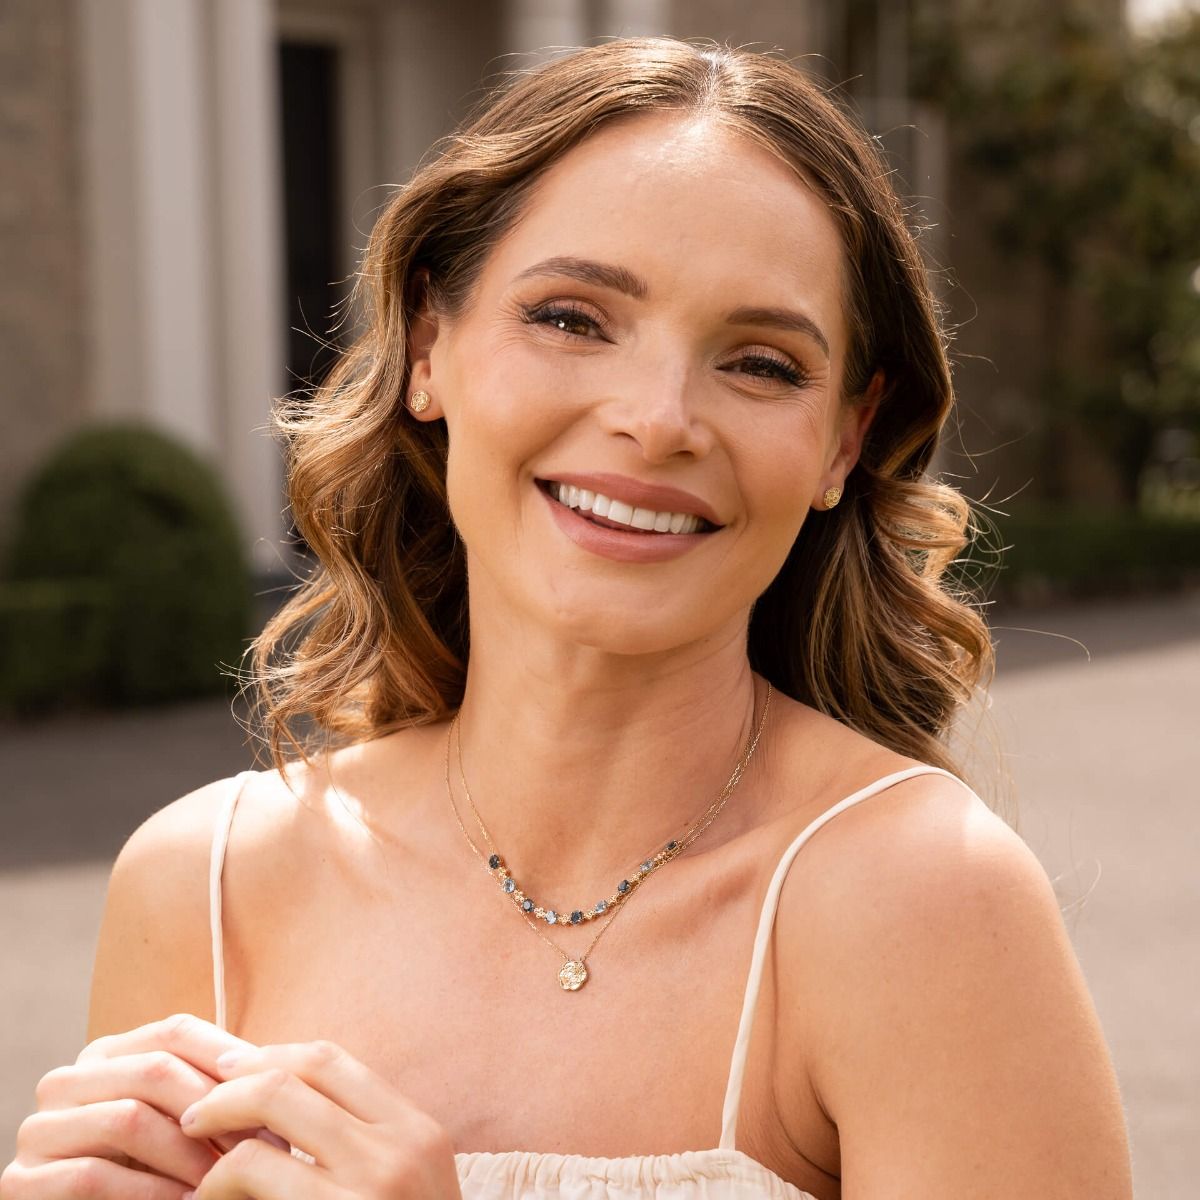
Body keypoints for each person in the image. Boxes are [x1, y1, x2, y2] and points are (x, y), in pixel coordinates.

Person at [1, 36, 1132, 1200]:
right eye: (573, 319)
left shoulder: (925, 903)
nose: (657, 420)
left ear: (845, 438)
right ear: (429, 344)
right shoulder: (205, 885)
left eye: (759, 363)